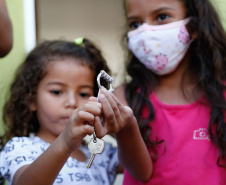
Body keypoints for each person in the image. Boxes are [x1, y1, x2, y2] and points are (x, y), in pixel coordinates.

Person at [0, 38, 152, 185]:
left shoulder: (101, 154)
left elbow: (142, 173)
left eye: (84, 94)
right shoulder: (20, 148)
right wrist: (65, 143)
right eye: (57, 92)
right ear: (31, 99)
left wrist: (127, 127)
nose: (72, 103)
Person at [114, 0, 226, 184]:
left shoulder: (222, 98)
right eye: (135, 24)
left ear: (195, 25)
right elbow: (140, 172)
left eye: (161, 17)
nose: (146, 32)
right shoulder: (124, 98)